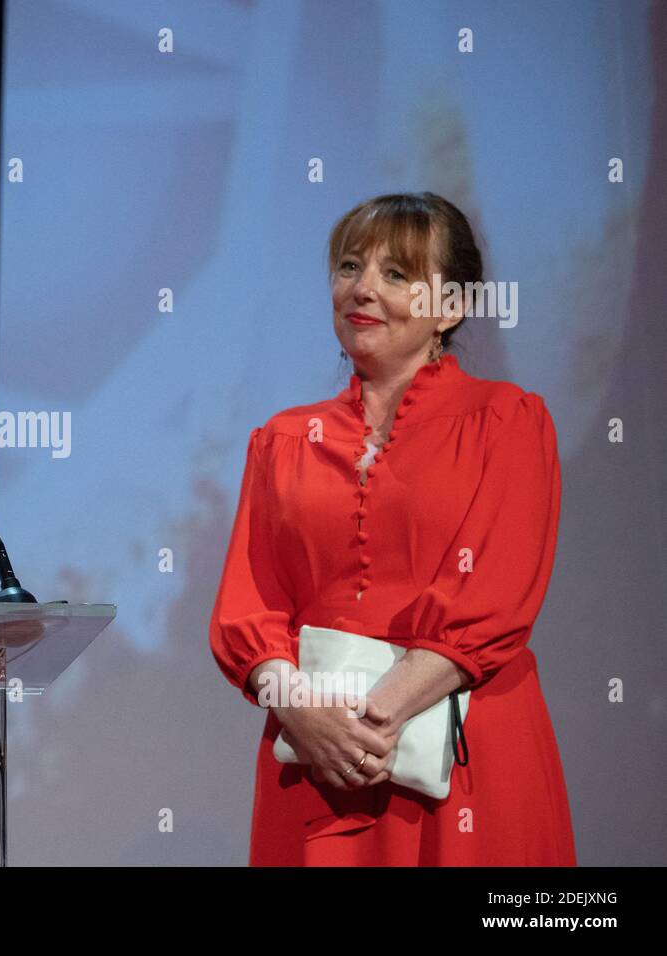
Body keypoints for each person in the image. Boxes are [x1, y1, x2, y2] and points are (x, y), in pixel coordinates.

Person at [209, 192, 576, 865]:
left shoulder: (509, 420)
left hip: (462, 752)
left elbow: (495, 594)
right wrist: (307, 717)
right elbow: (248, 605)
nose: (363, 288)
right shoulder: (283, 439)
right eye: (351, 266)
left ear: (453, 307)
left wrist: (369, 723)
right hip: (316, 757)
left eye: (398, 274)